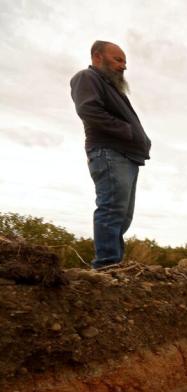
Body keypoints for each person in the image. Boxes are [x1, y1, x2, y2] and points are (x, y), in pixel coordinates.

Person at [70, 41, 151, 269]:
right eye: (118, 59)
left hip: (127, 156)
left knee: (123, 216)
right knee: (112, 209)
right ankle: (107, 264)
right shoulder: (87, 77)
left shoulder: (111, 87)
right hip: (109, 152)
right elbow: (88, 110)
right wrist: (127, 131)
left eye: (125, 61)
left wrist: (141, 139)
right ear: (98, 57)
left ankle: (113, 263)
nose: (123, 66)